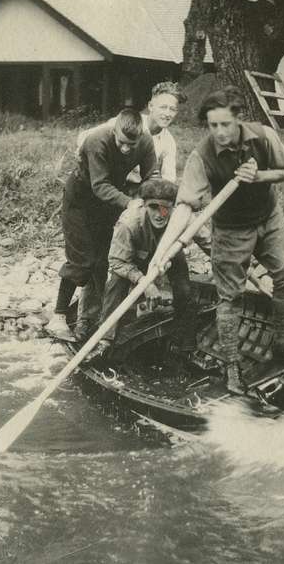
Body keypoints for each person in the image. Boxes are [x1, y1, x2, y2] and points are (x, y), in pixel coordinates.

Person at [151, 86, 284, 395]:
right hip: (231, 229)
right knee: (230, 296)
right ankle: (232, 366)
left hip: (269, 219)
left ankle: (283, 342)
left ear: (239, 120)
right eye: (212, 125)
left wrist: (259, 176)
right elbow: (184, 206)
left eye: (224, 125)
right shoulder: (203, 155)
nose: (218, 132)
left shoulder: (262, 136)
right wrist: (162, 250)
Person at [48, 109, 157, 342]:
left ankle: (98, 320)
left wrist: (155, 200)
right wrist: (132, 203)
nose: (126, 149)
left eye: (132, 144)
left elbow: (152, 176)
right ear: (114, 130)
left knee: (103, 261)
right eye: (122, 143)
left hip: (108, 205)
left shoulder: (146, 142)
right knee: (82, 260)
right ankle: (57, 317)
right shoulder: (97, 140)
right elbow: (100, 186)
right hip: (80, 201)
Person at [83, 179, 194, 364]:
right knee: (116, 283)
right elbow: (117, 262)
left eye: (165, 208)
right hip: (133, 258)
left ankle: (185, 343)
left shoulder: (181, 217)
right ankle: (105, 339)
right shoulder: (129, 223)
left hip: (168, 254)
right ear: (144, 205)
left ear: (173, 207)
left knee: (184, 288)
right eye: (153, 207)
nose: (159, 214)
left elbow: (207, 241)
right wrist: (145, 283)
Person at [75, 81, 184, 187]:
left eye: (172, 109)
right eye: (163, 107)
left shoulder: (168, 142)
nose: (167, 114)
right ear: (151, 106)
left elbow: (169, 178)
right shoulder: (128, 123)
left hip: (135, 188)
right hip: (108, 183)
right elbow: (85, 137)